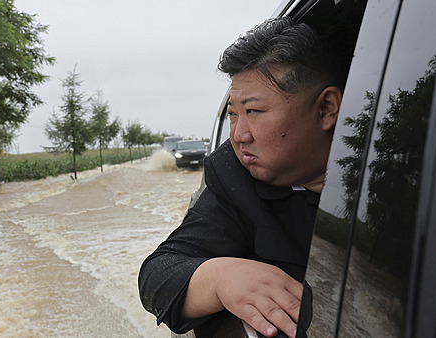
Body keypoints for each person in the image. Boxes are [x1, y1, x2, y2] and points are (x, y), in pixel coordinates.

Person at [138, 16, 349, 338]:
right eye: (233, 115)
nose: (238, 135)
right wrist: (220, 277)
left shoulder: (399, 175)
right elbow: (158, 274)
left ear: (326, 109)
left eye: (254, 112)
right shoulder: (233, 177)